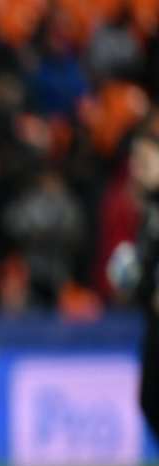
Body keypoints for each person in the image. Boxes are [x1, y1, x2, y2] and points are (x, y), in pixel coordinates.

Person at [109, 126, 159, 444]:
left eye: (144, 159)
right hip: (153, 320)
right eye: (134, 161)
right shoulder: (148, 210)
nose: (137, 168)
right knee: (150, 400)